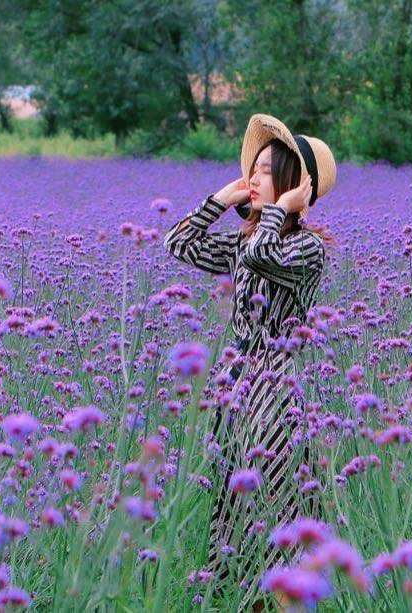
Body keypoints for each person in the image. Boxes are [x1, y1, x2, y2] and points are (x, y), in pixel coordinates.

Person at [162, 114, 337, 612]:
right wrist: (223, 197)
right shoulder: (246, 239)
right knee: (232, 507)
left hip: (274, 392)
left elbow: (263, 255)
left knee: (275, 504)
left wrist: (279, 210)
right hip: (234, 388)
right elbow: (180, 244)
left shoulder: (307, 248)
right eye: (253, 170)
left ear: (293, 186)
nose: (254, 179)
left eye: (264, 171)